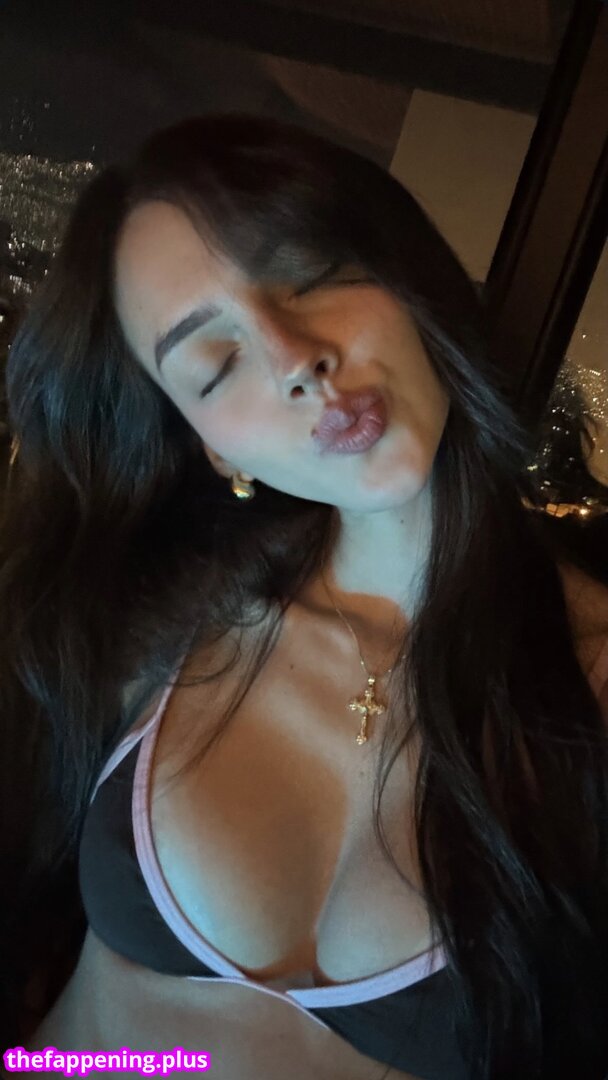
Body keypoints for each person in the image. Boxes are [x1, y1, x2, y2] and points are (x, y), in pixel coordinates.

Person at [1, 112, 607, 1080]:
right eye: (215, 363)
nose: (292, 358)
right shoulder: (156, 622)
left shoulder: (591, 684)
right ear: (216, 450)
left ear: (407, 279)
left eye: (311, 274)